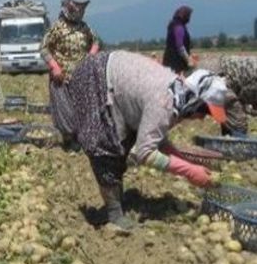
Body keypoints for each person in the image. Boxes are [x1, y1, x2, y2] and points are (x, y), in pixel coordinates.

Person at [67, 50, 228, 232]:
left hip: (114, 78)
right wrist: (190, 171)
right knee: (106, 147)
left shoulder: (176, 93)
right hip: (94, 79)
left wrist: (186, 162)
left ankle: (117, 199)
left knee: (124, 141)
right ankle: (113, 213)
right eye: (204, 111)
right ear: (195, 100)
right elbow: (145, 153)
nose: (201, 118)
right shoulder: (164, 102)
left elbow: (156, 140)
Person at [41, 0, 100, 146]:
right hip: (62, 78)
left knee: (82, 110)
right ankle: (68, 138)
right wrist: (54, 66)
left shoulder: (84, 27)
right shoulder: (57, 27)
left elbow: (95, 41)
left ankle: (81, 138)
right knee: (66, 113)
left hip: (81, 77)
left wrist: (91, 56)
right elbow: (44, 49)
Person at [219, 55, 257, 137]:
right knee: (239, 122)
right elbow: (242, 98)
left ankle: (227, 140)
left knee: (231, 116)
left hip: (227, 75)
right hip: (224, 81)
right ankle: (236, 146)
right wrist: (251, 111)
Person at [163, 6, 196, 74]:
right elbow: (180, 46)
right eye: (189, 16)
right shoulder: (179, 27)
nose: (189, 18)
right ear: (184, 16)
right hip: (176, 65)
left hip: (168, 62)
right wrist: (188, 60)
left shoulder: (172, 25)